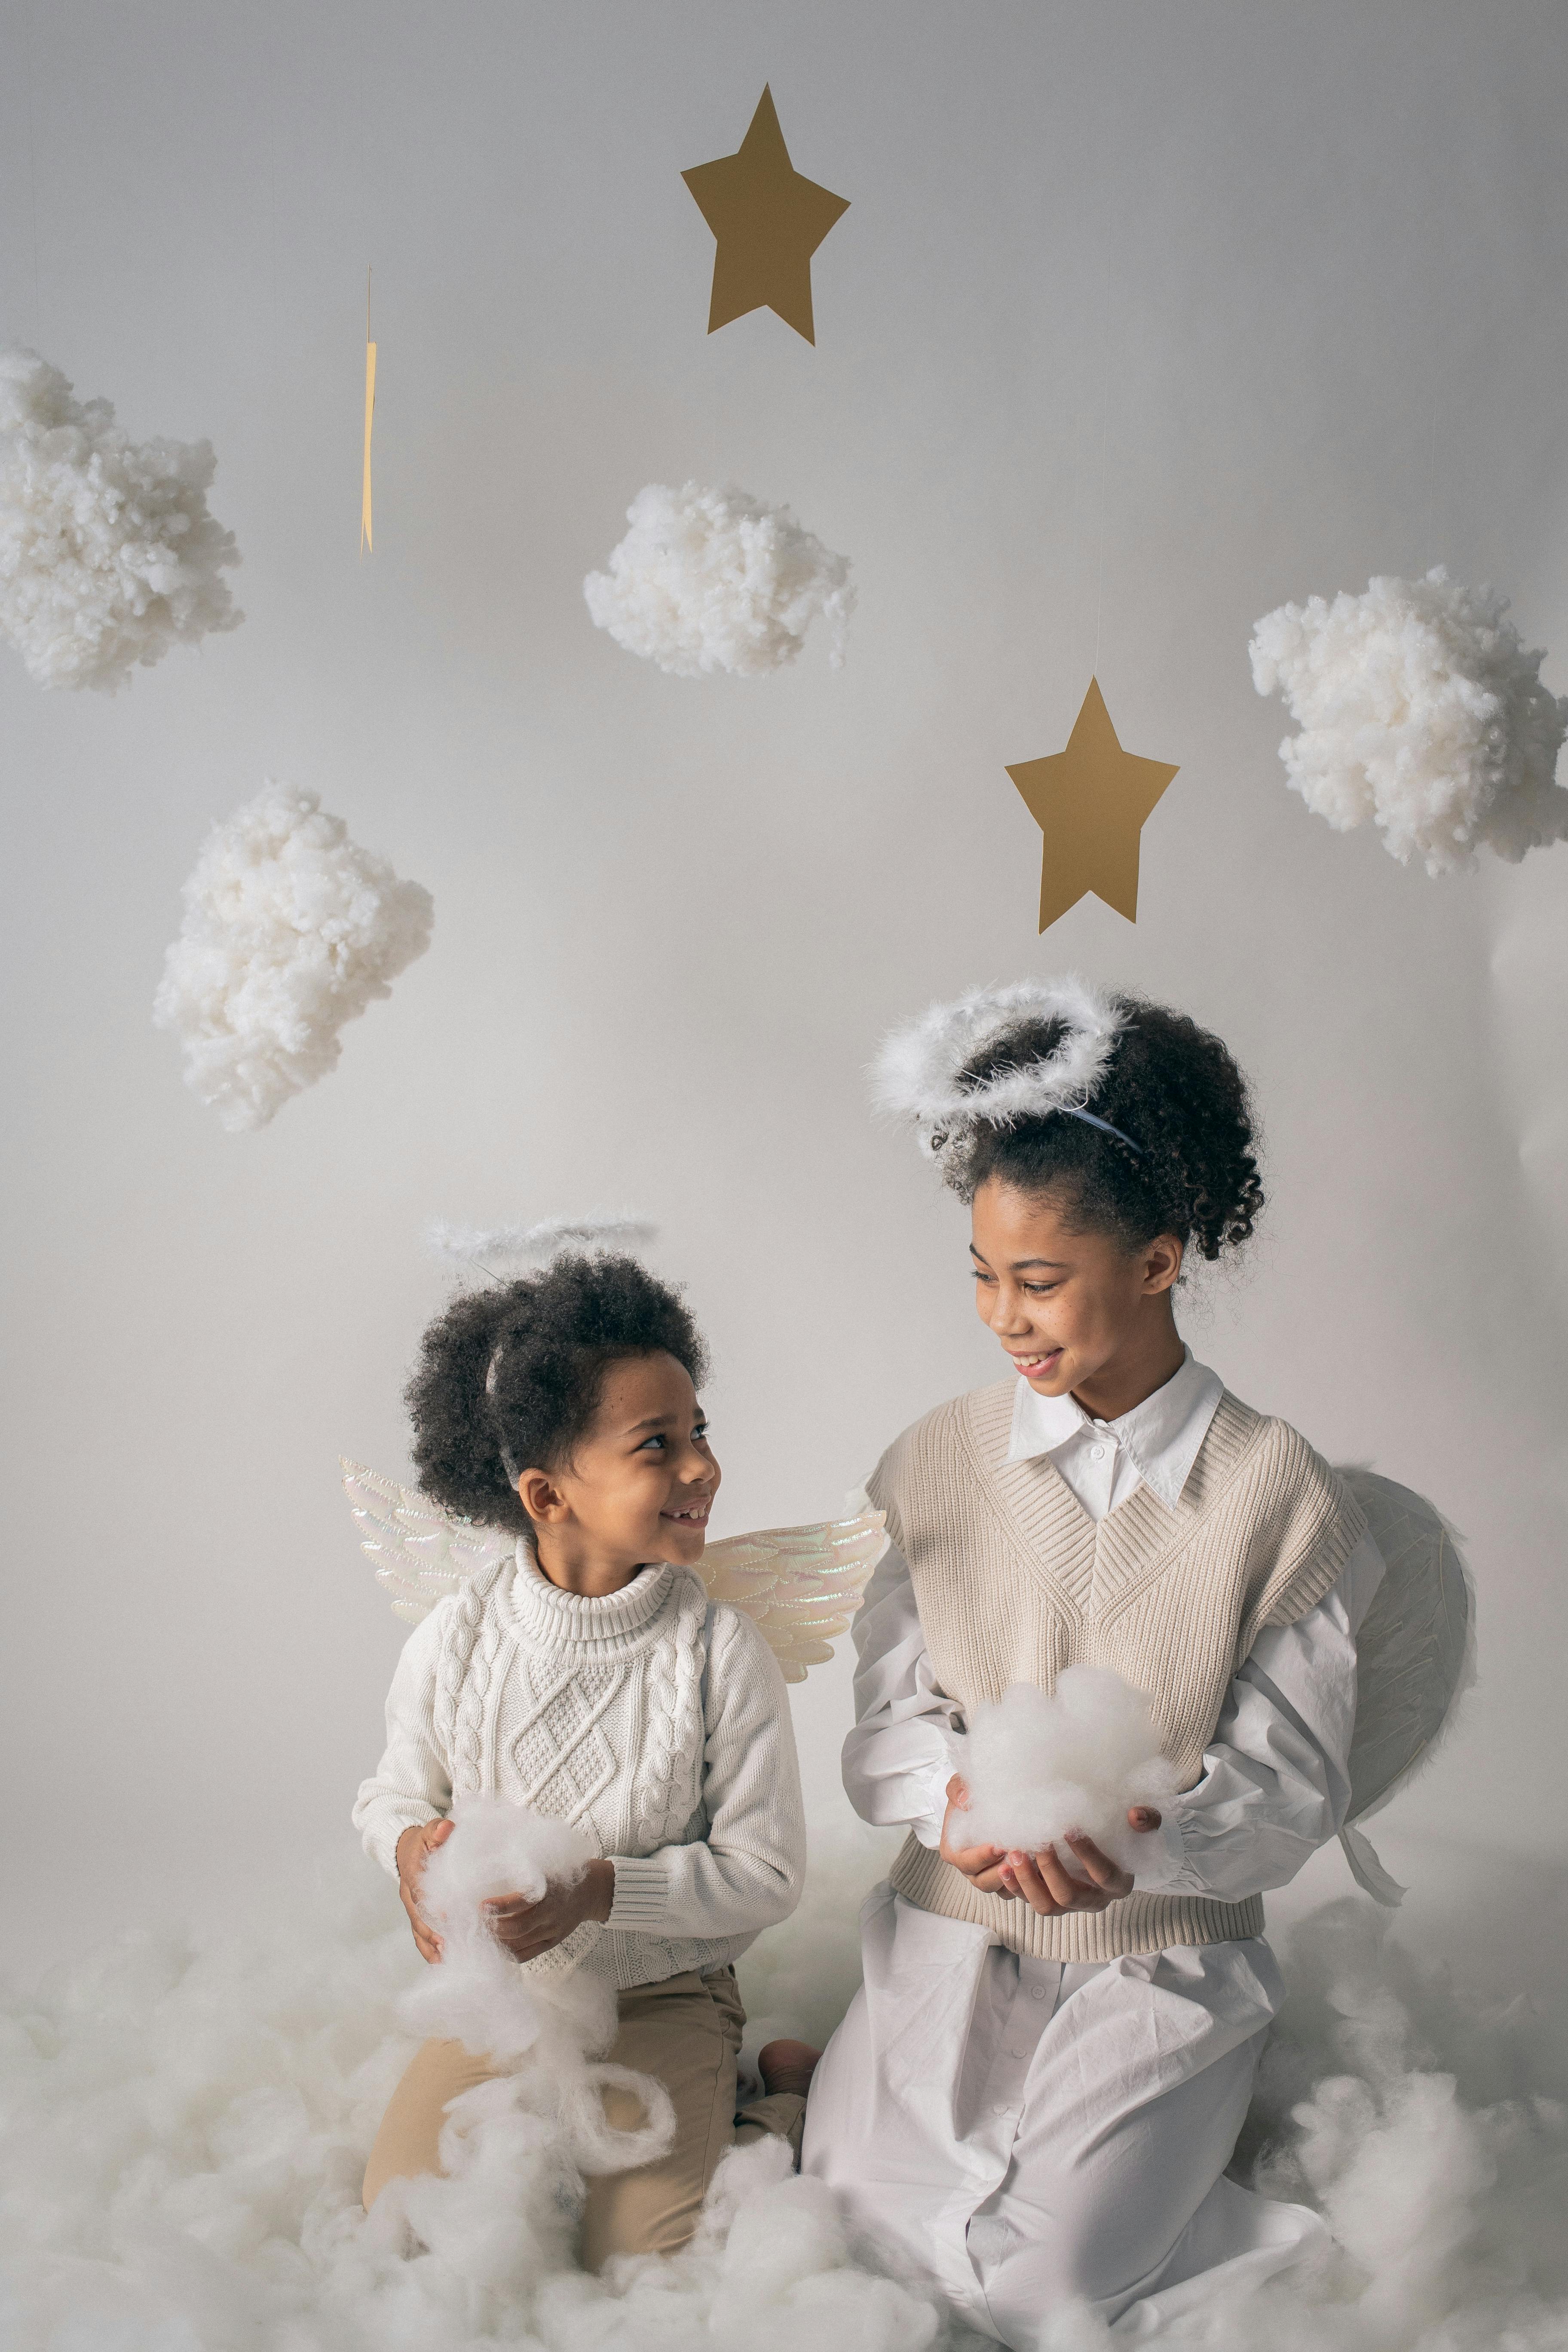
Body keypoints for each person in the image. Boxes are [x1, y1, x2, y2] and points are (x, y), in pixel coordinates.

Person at [802, 977, 1386, 2343]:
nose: (1006, 1316)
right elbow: (886, 1717)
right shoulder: (938, 1462)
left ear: (1160, 1260)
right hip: (954, 1925)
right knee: (851, 2245)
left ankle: (1194, 2195)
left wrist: (1143, 1842)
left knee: (1043, 2291)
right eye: (984, 1278)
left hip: (1156, 1957)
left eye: (1042, 1282)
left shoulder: (1277, 1492)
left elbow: (1294, 1786)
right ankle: (827, 2096)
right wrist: (955, 1805)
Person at [354, 1248, 817, 2265]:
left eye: (700, 1431)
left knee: (641, 2257)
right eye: (658, 1445)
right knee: (398, 2226)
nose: (702, 1466)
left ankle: (780, 2103)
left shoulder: (717, 1654)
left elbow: (768, 1874)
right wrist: (409, 1854)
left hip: (665, 1991)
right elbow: (391, 1794)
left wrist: (601, 1893)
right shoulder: (458, 1639)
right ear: (547, 1496)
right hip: (509, 1997)